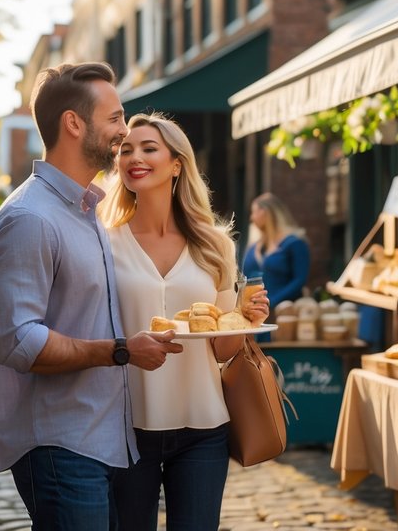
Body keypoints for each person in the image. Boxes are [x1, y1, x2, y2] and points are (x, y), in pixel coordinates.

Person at [0, 62, 182, 529]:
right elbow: (19, 342)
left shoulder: (90, 210)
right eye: (114, 118)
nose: (124, 130)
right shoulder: (29, 218)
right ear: (74, 124)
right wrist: (119, 351)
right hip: (60, 448)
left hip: (105, 441)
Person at [101, 113, 270, 531]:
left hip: (203, 425)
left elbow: (222, 349)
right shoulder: (104, 242)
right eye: (126, 150)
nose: (134, 157)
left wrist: (246, 320)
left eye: (148, 148)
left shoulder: (215, 245)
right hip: (126, 428)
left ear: (177, 164)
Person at [241, 192, 311, 309]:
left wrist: (271, 302)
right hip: (255, 312)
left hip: (285, 311)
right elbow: (245, 276)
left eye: (254, 212)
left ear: (265, 213)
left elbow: (299, 280)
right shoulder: (255, 246)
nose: (251, 218)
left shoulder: (294, 243)